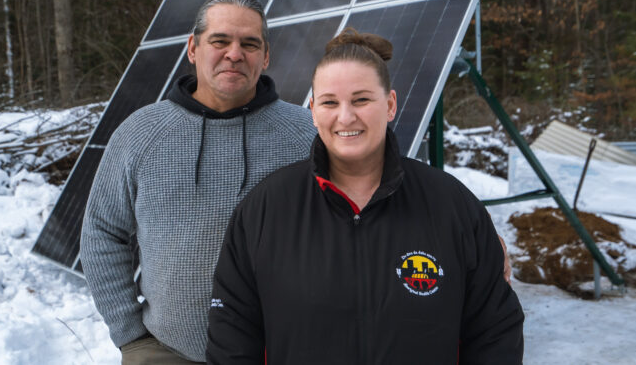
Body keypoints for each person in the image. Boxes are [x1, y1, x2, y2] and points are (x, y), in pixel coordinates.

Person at [207, 28, 524, 364]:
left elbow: (495, 331)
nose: (346, 117)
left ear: (389, 104)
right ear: (313, 110)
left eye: (361, 99)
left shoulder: (451, 205)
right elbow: (233, 336)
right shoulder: (267, 209)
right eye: (330, 102)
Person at [80, 0, 317, 364]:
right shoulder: (141, 132)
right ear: (193, 48)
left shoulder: (308, 135)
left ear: (266, 56)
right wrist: (131, 336)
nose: (235, 54)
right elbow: (101, 230)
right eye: (219, 41)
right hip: (165, 352)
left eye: (250, 44)